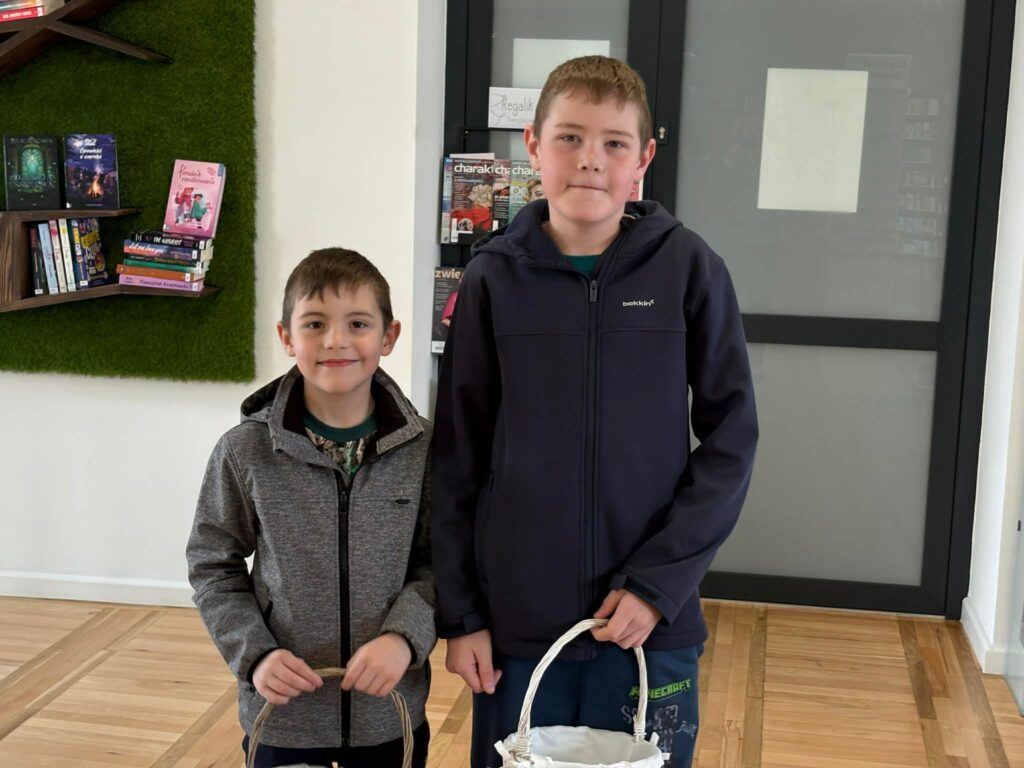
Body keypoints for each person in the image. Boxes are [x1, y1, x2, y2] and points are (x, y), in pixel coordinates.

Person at [432, 55, 758, 768]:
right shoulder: (491, 279)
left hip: (648, 626)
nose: (590, 160)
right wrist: (461, 614)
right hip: (516, 630)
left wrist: (657, 586)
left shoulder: (689, 268)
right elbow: (456, 459)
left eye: (614, 142)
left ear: (643, 159)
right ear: (533, 147)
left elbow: (732, 440)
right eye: (570, 138)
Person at [187, 248, 435, 768]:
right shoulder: (244, 450)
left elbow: (443, 562)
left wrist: (405, 638)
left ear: (389, 337)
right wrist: (255, 654)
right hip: (283, 718)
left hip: (388, 717)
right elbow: (213, 567)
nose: (335, 340)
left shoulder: (426, 449)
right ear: (287, 337)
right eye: (315, 323)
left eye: (358, 323)